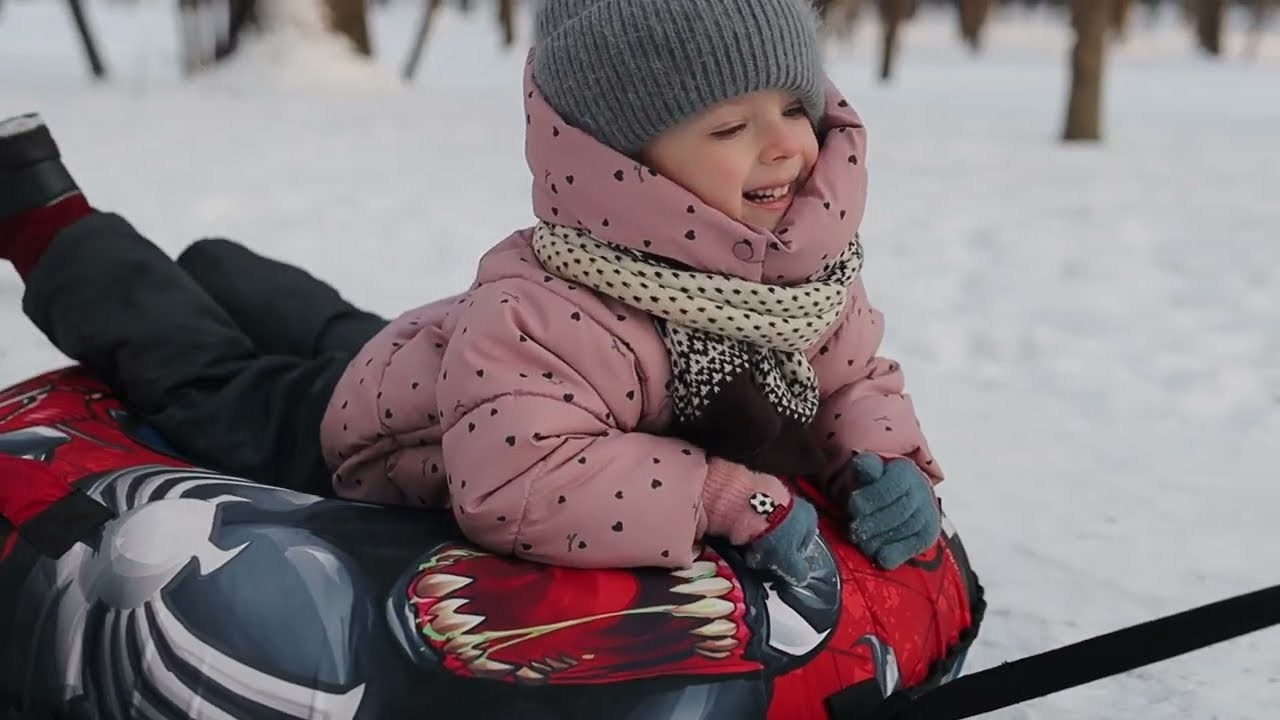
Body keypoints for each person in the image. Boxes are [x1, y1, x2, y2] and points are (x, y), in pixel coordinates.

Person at [0, 0, 946, 586]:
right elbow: (520, 484)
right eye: (732, 124)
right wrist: (724, 497)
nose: (786, 145)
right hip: (359, 426)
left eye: (794, 105)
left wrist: (880, 454)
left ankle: (217, 266)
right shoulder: (551, 307)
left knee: (340, 330)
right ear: (623, 164)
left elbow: (849, 372)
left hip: (449, 367)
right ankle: (52, 222)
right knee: (218, 374)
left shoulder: (798, 268)